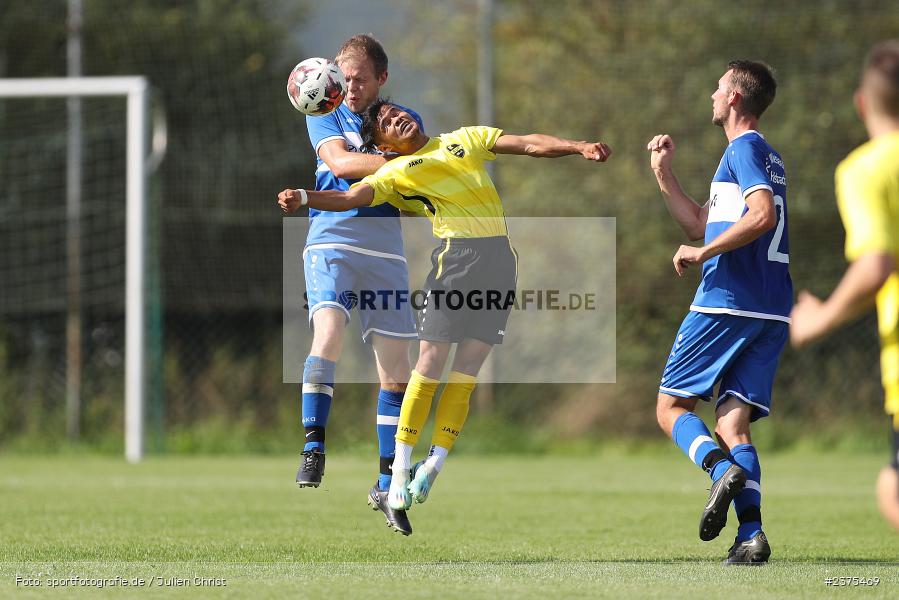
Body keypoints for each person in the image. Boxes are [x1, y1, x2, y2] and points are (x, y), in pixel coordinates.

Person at [280, 98, 611, 514]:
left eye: (396, 111)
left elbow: (527, 144)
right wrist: (304, 197)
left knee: (466, 372)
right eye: (383, 121)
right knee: (429, 364)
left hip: (501, 263)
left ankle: (433, 465)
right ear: (380, 144)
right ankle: (398, 471)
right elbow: (349, 200)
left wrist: (578, 146)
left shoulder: (463, 138)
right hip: (455, 262)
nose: (395, 117)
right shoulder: (394, 172)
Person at [646, 60, 790, 565]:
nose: (712, 93)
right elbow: (699, 224)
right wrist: (664, 174)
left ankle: (716, 472)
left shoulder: (744, 149)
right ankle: (750, 537)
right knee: (733, 426)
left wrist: (703, 256)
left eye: (718, 86)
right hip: (771, 311)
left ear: (733, 98)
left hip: (727, 301)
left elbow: (760, 215)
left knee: (671, 409)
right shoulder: (764, 156)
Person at [296, 34, 425, 536]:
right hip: (331, 238)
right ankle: (313, 447)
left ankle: (387, 483)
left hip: (386, 249)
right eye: (345, 78)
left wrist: (414, 161)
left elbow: (420, 168)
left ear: (382, 81)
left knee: (398, 373)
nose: (350, 88)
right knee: (327, 333)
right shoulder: (321, 109)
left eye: (361, 79)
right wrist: (406, 164)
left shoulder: (400, 119)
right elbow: (343, 165)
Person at [790, 40, 899, 532]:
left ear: (861, 103)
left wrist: (818, 320)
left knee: (891, 489)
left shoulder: (867, 170)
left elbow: (876, 265)